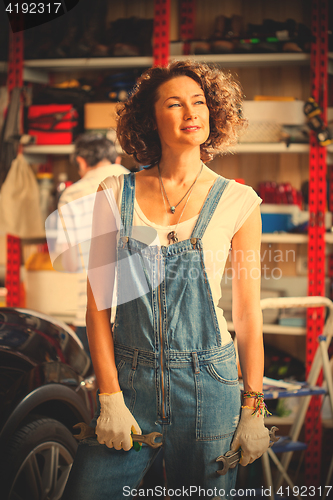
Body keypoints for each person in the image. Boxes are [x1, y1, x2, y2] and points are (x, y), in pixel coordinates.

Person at [62, 60, 270, 500]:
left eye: (199, 102)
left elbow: (248, 315)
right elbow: (98, 305)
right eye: (175, 104)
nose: (191, 112)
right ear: (151, 120)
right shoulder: (115, 194)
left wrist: (253, 407)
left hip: (208, 386)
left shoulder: (239, 201)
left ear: (213, 114)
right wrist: (109, 397)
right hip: (129, 380)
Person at [55, 133, 128, 355]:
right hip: (138, 309)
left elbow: (67, 262)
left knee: (96, 384)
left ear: (81, 161)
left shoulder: (71, 195)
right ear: (117, 160)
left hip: (91, 309)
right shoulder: (139, 184)